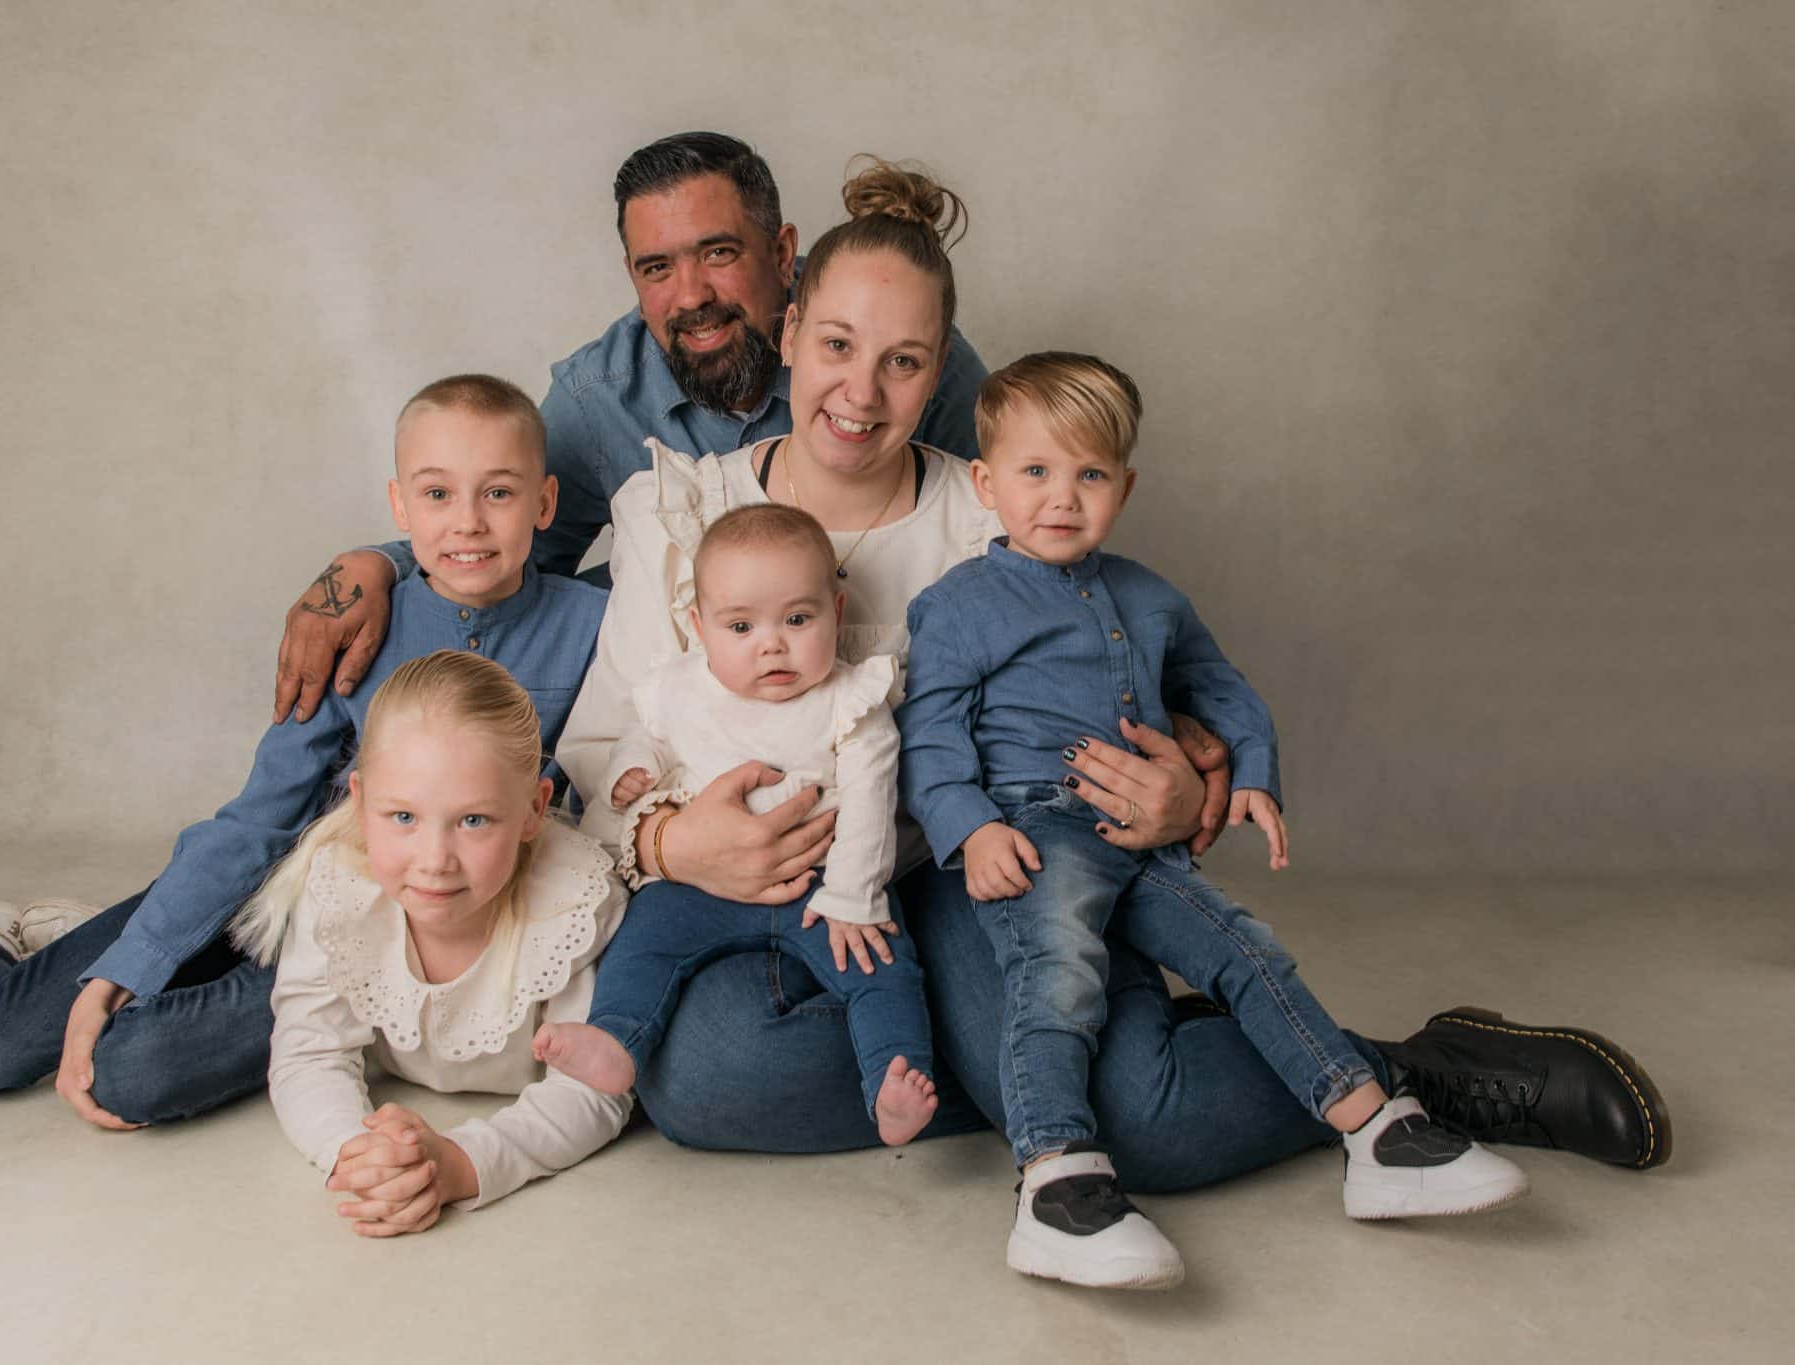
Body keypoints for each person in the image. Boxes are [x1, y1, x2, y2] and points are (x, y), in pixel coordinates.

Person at [551, 156, 1669, 1201]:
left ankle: (1408, 1068)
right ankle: (1030, 1073)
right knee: (705, 1079)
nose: (861, 391)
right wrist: (668, 842)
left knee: (1151, 1123)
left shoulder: (990, 516)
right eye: (836, 344)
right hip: (761, 900)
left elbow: (1115, 688)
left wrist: (1175, 789)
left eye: (903, 360)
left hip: (969, 875)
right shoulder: (676, 512)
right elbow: (593, 763)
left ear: (940, 370)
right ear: (790, 330)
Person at [0, 375, 608, 1129]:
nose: (466, 522)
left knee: (129, 1070)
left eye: (498, 493)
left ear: (543, 503)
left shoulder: (592, 627)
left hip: (400, 940)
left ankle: (89, 944)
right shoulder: (361, 625)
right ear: (399, 505)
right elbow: (257, 820)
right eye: (437, 493)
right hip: (280, 903)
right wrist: (129, 964)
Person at [898, 352, 1533, 1289]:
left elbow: (1220, 691)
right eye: (1035, 472)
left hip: (1142, 841)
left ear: (1126, 484)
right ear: (987, 483)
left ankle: (1375, 1132)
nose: (1062, 498)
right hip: (1036, 834)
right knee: (1059, 973)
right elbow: (929, 734)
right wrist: (970, 829)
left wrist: (1253, 778)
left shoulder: (1152, 598)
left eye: (1090, 475)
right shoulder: (957, 605)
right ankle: (1056, 1180)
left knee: (1247, 947)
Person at [270, 131, 993, 726]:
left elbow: (998, 524)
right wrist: (379, 563)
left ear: (781, 254)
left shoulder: (906, 344)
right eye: (657, 268)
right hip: (666, 715)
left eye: (718, 252)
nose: (691, 296)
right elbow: (500, 543)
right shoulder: (597, 400)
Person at [533, 504, 939, 1147]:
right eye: (741, 625)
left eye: (798, 619)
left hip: (821, 890)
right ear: (699, 627)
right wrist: (632, 771)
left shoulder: (850, 700)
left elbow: (869, 805)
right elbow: (646, 736)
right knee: (642, 940)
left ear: (838, 611)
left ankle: (895, 1082)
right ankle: (616, 1038)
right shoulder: (681, 688)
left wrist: (853, 898)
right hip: (701, 888)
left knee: (883, 964)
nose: (771, 643)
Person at [232, 651, 629, 1237]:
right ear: (362, 801)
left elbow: (596, 1089)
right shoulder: (342, 888)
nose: (435, 861)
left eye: (473, 821)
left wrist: (461, 1165)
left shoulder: (576, 901)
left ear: (534, 809)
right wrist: (360, 1156)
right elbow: (310, 1054)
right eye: (403, 817)